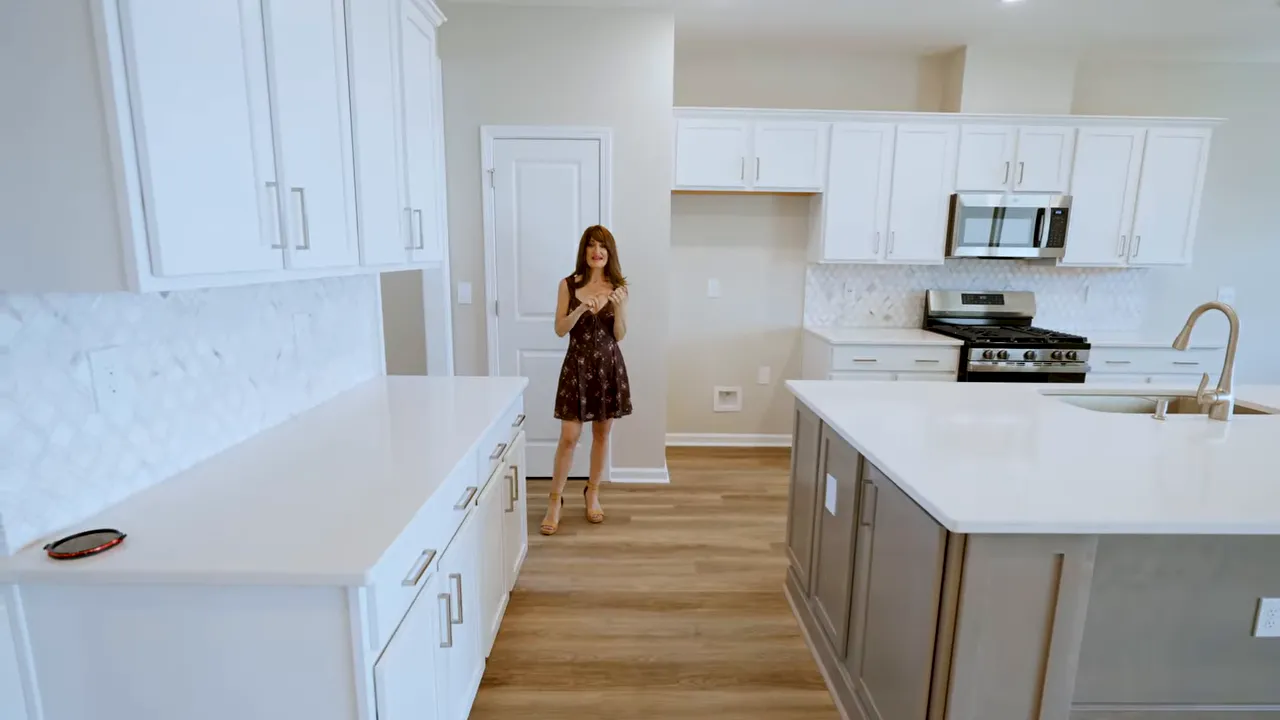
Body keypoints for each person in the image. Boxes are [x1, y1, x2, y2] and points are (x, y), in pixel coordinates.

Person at [540, 225, 632, 536]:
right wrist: (581, 308)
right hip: (576, 368)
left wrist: (617, 308)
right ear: (584, 251)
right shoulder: (568, 284)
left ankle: (592, 493)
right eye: (591, 245)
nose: (597, 251)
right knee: (569, 436)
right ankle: (555, 500)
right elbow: (560, 329)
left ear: (610, 252)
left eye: (602, 246)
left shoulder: (619, 287)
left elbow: (619, 335)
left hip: (608, 368)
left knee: (602, 434)